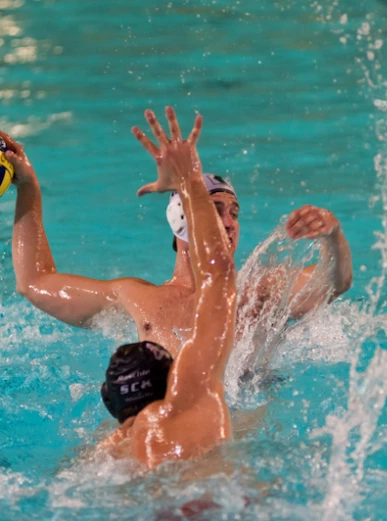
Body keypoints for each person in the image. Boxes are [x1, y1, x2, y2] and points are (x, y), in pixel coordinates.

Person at [0, 108, 351, 356]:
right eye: (215, 210)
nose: (228, 222)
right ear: (183, 222)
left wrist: (332, 235)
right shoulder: (139, 299)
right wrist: (28, 186)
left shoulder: (260, 293)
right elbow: (35, 283)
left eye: (235, 213)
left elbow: (333, 283)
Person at [90, 107, 236, 468]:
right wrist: (188, 178)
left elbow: (31, 284)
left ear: (111, 401)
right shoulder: (196, 402)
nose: (230, 223)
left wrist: (27, 186)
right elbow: (219, 275)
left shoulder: (106, 452)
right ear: (177, 376)